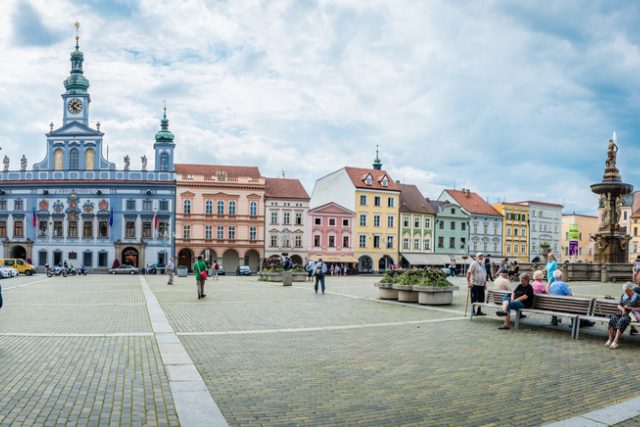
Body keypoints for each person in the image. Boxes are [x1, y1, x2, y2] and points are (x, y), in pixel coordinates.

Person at [605, 282, 640, 349]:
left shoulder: (637, 296)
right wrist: (623, 310)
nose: (626, 292)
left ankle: (615, 341)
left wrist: (630, 308)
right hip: (622, 313)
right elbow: (619, 305)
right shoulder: (624, 295)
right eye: (625, 291)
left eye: (627, 291)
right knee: (612, 319)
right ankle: (610, 339)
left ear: (631, 289)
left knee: (622, 320)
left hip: (632, 315)